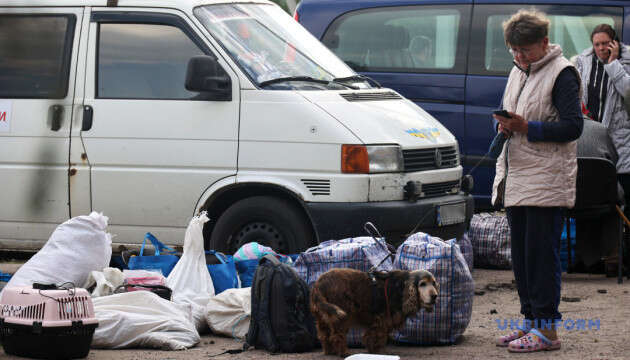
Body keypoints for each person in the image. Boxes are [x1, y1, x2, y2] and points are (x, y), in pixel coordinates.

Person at [491, 9, 583, 352]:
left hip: (547, 179)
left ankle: (548, 333)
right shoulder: (518, 70)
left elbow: (574, 127)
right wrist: (504, 124)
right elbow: (512, 110)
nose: (519, 56)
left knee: (542, 258)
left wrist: (527, 128)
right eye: (514, 50)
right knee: (523, 258)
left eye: (525, 50)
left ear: (544, 42)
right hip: (517, 176)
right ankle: (530, 323)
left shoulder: (563, 74)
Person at [575, 24, 630, 222]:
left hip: (621, 143)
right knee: (594, 204)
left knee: (622, 204)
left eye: (605, 43)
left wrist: (613, 63)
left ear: (615, 43)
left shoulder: (626, 60)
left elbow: (628, 93)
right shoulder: (583, 62)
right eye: (597, 44)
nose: (600, 48)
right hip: (593, 142)